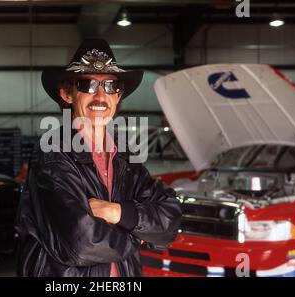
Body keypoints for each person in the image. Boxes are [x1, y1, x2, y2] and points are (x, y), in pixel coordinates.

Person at [15, 38, 182, 277]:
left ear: (118, 96)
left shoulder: (125, 157)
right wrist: (138, 235)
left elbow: (171, 216)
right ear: (67, 94)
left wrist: (118, 213)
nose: (101, 96)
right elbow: (82, 243)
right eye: (88, 85)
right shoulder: (52, 153)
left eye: (111, 86)